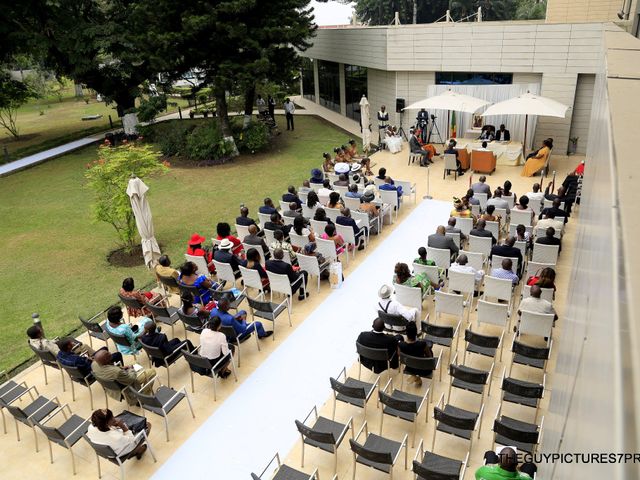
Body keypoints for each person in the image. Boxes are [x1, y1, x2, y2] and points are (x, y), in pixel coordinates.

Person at [91, 349, 156, 405]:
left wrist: (122, 368)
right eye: (108, 354)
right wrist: (131, 369)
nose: (110, 353)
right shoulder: (117, 372)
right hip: (126, 387)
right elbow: (131, 379)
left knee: (135, 362)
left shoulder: (94, 364)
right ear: (107, 360)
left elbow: (109, 368)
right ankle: (143, 399)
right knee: (151, 372)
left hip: (112, 389)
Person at [87, 408, 151, 459]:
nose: (114, 418)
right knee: (147, 424)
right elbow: (131, 440)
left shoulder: (90, 428)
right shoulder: (116, 437)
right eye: (112, 418)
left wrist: (112, 426)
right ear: (106, 424)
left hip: (106, 452)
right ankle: (135, 451)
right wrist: (123, 427)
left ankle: (136, 451)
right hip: (119, 452)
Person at [57, 337, 121, 378]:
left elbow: (83, 362)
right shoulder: (77, 360)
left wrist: (87, 358)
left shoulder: (59, 355)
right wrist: (93, 359)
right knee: (117, 354)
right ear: (68, 346)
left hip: (80, 372)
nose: (73, 342)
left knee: (104, 349)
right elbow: (91, 365)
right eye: (71, 342)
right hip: (90, 373)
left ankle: (111, 368)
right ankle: (119, 372)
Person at [27, 324, 94, 357]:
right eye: (40, 330)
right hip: (63, 355)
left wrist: (55, 341)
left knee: (69, 338)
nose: (42, 330)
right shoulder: (45, 343)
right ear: (38, 334)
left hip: (52, 356)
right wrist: (70, 346)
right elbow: (58, 353)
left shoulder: (32, 341)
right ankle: (96, 356)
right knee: (84, 346)